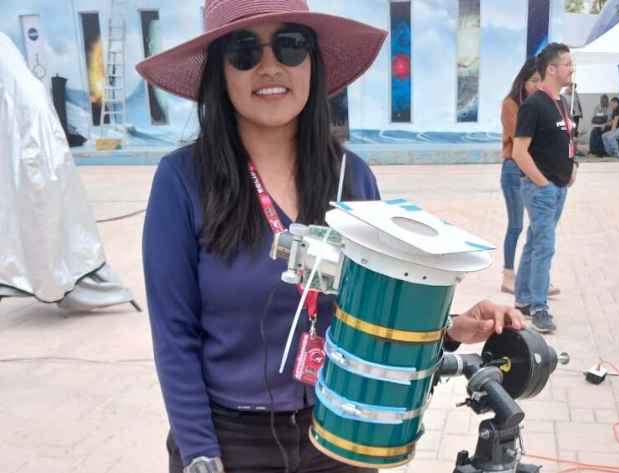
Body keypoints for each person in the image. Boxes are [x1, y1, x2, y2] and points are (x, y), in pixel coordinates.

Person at [137, 1, 527, 472]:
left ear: (312, 62)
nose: (270, 66)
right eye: (243, 50)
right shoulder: (182, 182)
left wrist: (450, 330)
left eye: (290, 45)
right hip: (229, 442)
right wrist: (200, 451)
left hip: (338, 436)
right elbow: (174, 335)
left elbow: (375, 317)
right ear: (221, 71)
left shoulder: (352, 179)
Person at [511, 43, 578, 333]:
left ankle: (524, 299)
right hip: (542, 190)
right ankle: (539, 307)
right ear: (552, 69)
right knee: (544, 246)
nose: (572, 69)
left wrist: (575, 165)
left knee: (535, 241)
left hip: (559, 187)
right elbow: (519, 152)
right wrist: (542, 182)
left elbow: (566, 140)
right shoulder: (534, 105)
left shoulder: (561, 103)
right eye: (568, 64)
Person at [499, 57, 538, 294]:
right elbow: (520, 137)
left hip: (535, 168)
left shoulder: (540, 103)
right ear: (522, 80)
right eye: (533, 80)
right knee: (516, 225)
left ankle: (533, 276)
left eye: (540, 81)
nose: (537, 85)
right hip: (514, 168)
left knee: (538, 226)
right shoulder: (510, 104)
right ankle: (508, 275)